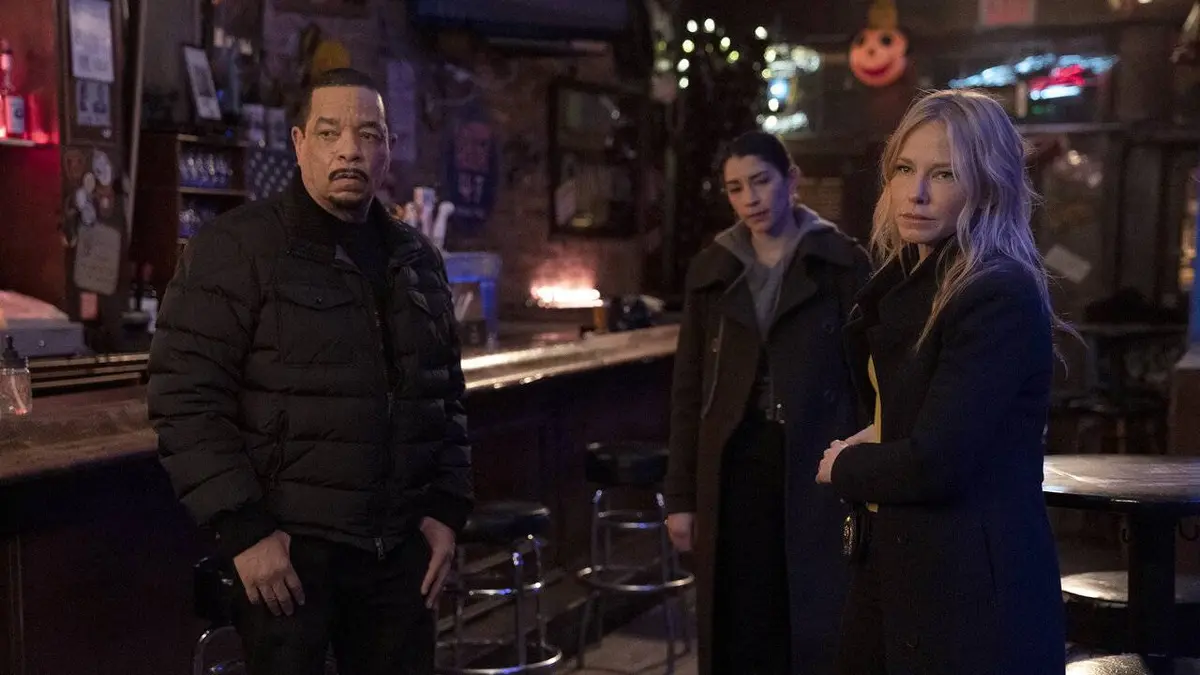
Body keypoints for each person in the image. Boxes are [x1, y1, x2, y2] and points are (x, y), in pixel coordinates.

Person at [148, 68, 472, 675]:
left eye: (368, 134)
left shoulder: (417, 258)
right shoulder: (237, 249)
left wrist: (446, 509)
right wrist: (245, 530)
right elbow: (184, 398)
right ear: (299, 144)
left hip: (399, 551)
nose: (350, 149)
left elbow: (446, 397)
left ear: (388, 149)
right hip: (290, 556)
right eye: (329, 133)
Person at [816, 89, 1068, 675]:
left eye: (945, 174)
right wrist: (876, 433)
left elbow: (939, 461)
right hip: (901, 558)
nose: (917, 192)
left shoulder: (995, 290)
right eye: (905, 169)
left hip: (967, 584)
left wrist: (843, 466)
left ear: (988, 184)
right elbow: (922, 406)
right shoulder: (913, 273)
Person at [664, 131, 872, 675]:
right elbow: (689, 390)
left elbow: (869, 383)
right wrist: (680, 496)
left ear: (791, 180)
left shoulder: (840, 262)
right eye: (735, 188)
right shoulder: (713, 268)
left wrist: (867, 473)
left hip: (815, 454)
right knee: (740, 609)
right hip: (735, 457)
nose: (750, 198)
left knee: (810, 609)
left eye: (761, 181)